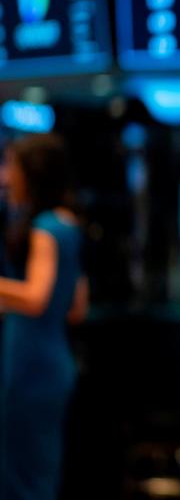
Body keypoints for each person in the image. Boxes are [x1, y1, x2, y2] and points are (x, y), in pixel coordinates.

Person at [0, 133, 88, 500]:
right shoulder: (69, 225)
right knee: (39, 470)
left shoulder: (44, 230)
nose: (6, 177)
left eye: (11, 167)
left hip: (30, 363)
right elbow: (76, 306)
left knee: (21, 476)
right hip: (55, 360)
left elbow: (36, 298)